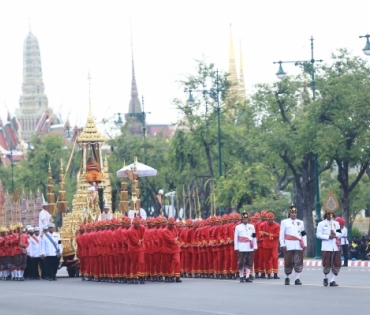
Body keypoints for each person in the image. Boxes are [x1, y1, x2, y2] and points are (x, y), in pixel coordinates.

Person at [279, 204, 307, 285]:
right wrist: (282, 244)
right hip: (288, 244)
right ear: (289, 213)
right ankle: (287, 278)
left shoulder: (300, 222)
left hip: (298, 244)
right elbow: (281, 234)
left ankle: (297, 278)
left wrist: (304, 244)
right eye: (292, 213)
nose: (294, 214)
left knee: (298, 261)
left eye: (295, 213)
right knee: (288, 261)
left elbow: (303, 234)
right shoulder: (284, 222)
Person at [316, 211, 342, 287]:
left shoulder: (336, 223)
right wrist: (327, 237)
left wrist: (335, 234)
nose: (330, 215)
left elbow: (340, 234)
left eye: (331, 214)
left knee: (337, 263)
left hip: (335, 246)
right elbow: (318, 234)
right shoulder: (321, 224)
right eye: (328, 213)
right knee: (326, 263)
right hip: (326, 246)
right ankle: (325, 278)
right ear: (325, 214)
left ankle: (333, 280)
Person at [234, 212, 257, 283]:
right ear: (242, 219)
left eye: (246, 219)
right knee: (241, 262)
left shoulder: (252, 226)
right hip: (241, 246)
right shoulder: (238, 227)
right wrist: (236, 247)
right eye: (244, 219)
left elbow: (254, 237)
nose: (245, 220)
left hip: (249, 246)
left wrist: (255, 246)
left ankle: (247, 276)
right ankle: (241, 276)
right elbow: (236, 238)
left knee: (249, 262)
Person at [259, 212, 280, 279]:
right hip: (266, 245)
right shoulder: (263, 224)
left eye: (271, 220)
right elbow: (259, 232)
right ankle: (268, 273)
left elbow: (277, 235)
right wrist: (262, 233)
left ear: (273, 219)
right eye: (268, 220)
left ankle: (275, 273)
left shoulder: (277, 225)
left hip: (274, 245)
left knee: (275, 258)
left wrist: (268, 234)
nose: (270, 221)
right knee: (267, 260)